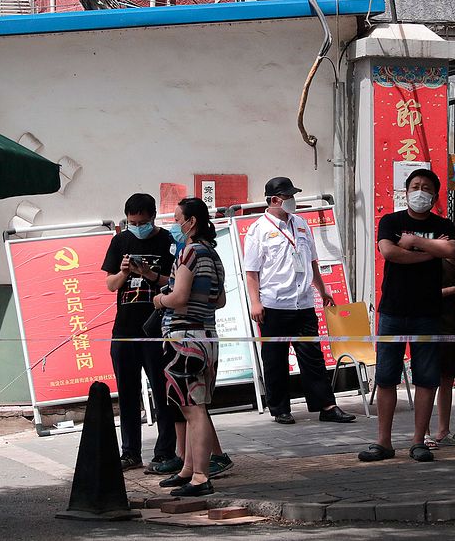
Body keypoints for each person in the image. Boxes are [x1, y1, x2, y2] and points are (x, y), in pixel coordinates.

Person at [358, 168, 455, 463]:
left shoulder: (444, 223)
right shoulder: (391, 221)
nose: (420, 191)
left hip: (428, 312)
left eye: (426, 187)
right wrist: (431, 251)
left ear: (435, 195)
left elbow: (451, 248)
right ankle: (384, 442)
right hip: (393, 311)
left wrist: (414, 242)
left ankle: (418, 441)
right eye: (415, 186)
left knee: (426, 378)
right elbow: (390, 253)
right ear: (406, 190)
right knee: (387, 377)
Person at [243, 177, 355, 425]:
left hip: (303, 302)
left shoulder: (302, 224)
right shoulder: (258, 230)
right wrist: (255, 302)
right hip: (274, 304)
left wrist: (323, 291)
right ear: (274, 200)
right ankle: (280, 409)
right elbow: (251, 272)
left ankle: (326, 405)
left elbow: (312, 262)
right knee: (275, 359)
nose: (292, 201)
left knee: (312, 356)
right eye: (288, 197)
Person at [152, 197, 226, 496]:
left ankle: (199, 476)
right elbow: (219, 300)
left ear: (191, 221)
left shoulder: (190, 251)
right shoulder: (212, 253)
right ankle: (188, 470)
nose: (176, 224)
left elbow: (179, 297)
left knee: (193, 410)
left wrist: (161, 300)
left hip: (183, 339)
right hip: (207, 335)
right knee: (195, 407)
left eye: (179, 218)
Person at [101, 193, 178, 473]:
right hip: (124, 329)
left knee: (162, 390)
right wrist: (124, 272)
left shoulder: (167, 241)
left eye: (142, 222)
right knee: (128, 392)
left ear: (153, 217)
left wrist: (149, 274)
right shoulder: (119, 241)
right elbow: (110, 284)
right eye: (132, 222)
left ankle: (165, 451)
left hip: (158, 327)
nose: (137, 226)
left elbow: (177, 282)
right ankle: (130, 451)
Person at [425, 218, 455, 448]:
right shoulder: (435, 262)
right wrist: (453, 291)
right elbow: (427, 294)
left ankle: (443, 430)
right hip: (434, 326)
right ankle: (423, 431)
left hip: (454, 327)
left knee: (447, 380)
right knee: (429, 381)